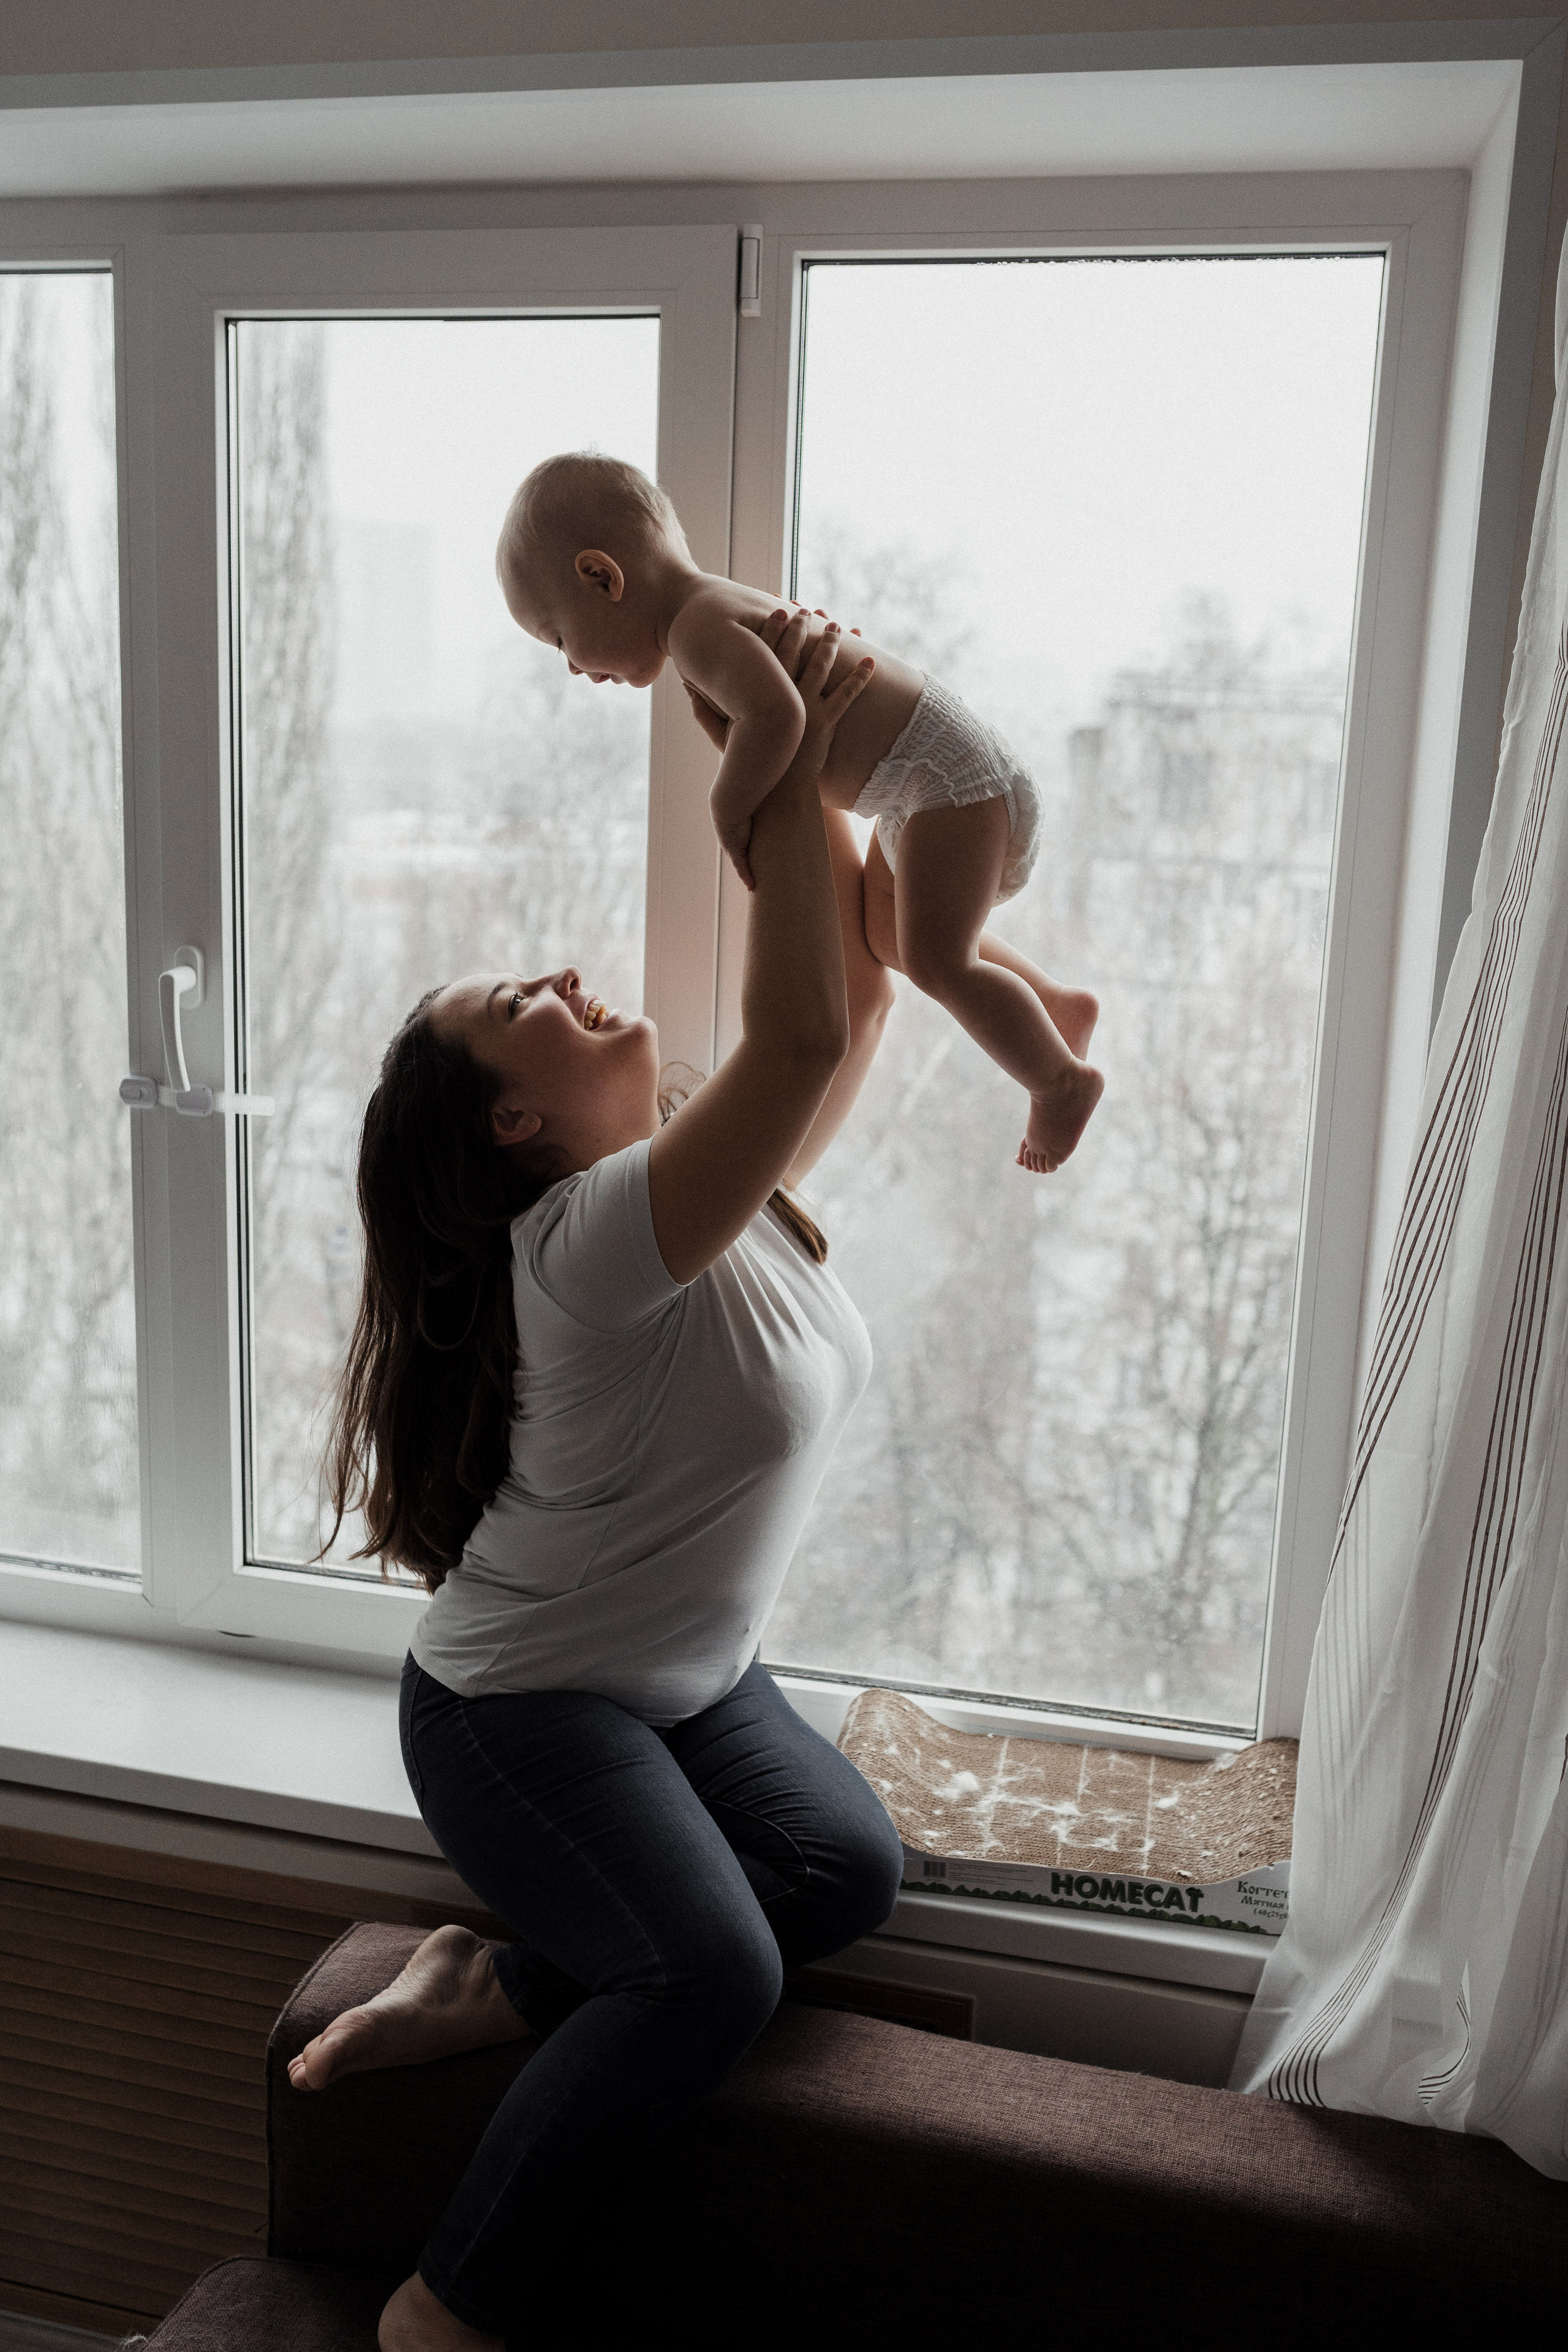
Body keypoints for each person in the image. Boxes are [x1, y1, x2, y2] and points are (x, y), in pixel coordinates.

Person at [292, 609, 905, 2352]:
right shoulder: (582, 1241)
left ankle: (493, 1978)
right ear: (512, 1125)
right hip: (522, 1707)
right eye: (527, 1008)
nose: (571, 974)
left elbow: (846, 997)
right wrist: (761, 721)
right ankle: (445, 2304)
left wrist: (814, 731)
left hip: (678, 1684)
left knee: (847, 1876)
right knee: (714, 1972)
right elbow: (796, 1041)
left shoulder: (709, 1195)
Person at [497, 450, 1103, 1174]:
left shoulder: (695, 629)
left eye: (559, 637)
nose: (570, 665)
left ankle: (1060, 1081)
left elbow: (781, 720)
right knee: (889, 931)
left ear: (602, 577)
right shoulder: (707, 612)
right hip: (920, 784)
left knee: (942, 960)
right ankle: (1054, 1008)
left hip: (948, 785)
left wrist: (729, 803)